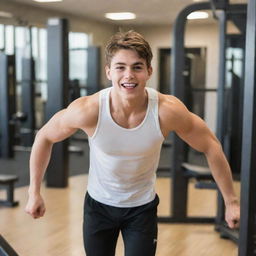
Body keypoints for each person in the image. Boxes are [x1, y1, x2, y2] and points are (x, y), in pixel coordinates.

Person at [25, 30, 240, 256]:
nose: (129, 75)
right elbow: (45, 136)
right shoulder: (88, 111)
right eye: (120, 67)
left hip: (141, 208)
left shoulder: (167, 111)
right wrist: (34, 192)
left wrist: (231, 202)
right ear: (109, 72)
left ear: (149, 71)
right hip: (98, 206)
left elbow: (211, 146)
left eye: (137, 67)